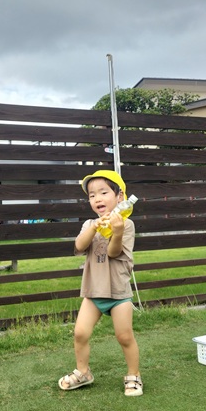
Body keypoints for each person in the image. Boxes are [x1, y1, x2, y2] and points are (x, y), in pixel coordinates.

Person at [58, 169, 143, 396]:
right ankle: (83, 372)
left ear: (120, 196)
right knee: (80, 333)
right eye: (92, 195)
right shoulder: (89, 223)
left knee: (124, 337)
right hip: (93, 292)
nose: (97, 198)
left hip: (118, 294)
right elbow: (79, 246)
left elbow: (114, 252)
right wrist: (95, 227)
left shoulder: (126, 224)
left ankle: (134, 375)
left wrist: (116, 231)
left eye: (103, 192)